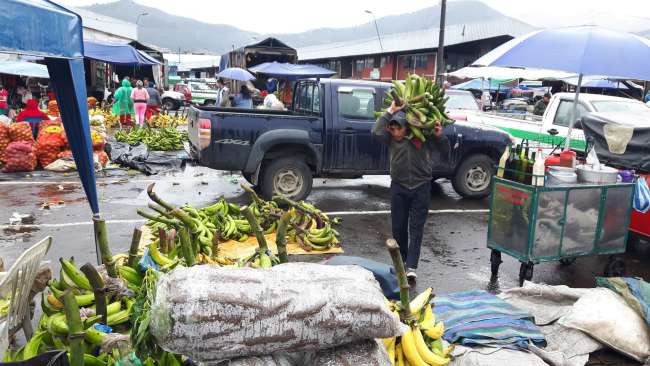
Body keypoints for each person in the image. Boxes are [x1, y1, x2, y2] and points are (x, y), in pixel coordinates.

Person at [372, 101, 449, 281]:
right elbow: (376, 131)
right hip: (399, 186)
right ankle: (402, 261)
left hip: (421, 186)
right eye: (391, 128)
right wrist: (391, 111)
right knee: (398, 227)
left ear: (406, 128)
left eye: (397, 128)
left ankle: (412, 266)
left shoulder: (421, 137)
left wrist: (440, 136)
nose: (393, 131)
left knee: (416, 228)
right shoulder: (390, 138)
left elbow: (444, 151)